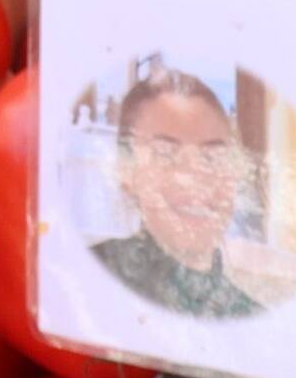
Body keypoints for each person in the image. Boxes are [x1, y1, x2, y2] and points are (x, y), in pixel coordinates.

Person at [92, 67, 278, 321]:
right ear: (127, 171)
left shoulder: (253, 319)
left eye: (213, 156)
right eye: (165, 152)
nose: (193, 177)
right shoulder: (88, 281)